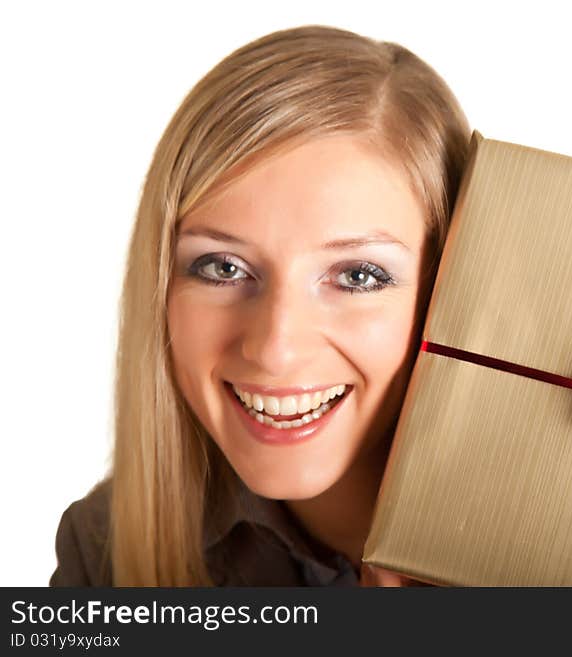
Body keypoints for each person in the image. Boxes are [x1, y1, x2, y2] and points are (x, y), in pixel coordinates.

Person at [49, 24, 471, 586]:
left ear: (451, 283)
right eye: (223, 268)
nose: (275, 349)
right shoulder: (102, 552)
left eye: (357, 275)